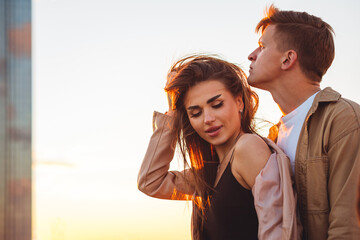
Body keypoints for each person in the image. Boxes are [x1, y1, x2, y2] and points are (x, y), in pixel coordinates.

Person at [138, 55, 301, 239]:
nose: (208, 119)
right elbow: (150, 182)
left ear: (239, 102)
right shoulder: (208, 171)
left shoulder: (247, 148)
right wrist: (173, 114)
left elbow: (279, 231)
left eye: (217, 105)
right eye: (196, 113)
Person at [247, 5, 360, 239]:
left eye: (262, 47)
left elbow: (347, 227)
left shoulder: (343, 119)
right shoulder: (273, 137)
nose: (252, 55)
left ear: (288, 59)